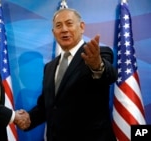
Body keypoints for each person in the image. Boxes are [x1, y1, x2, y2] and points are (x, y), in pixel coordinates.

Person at [19, 8, 118, 141]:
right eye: (58, 26)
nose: (64, 29)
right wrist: (28, 119)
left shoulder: (98, 54)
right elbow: (48, 106)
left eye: (69, 23)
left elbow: (109, 75)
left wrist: (97, 65)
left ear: (81, 27)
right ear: (54, 33)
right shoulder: (49, 67)